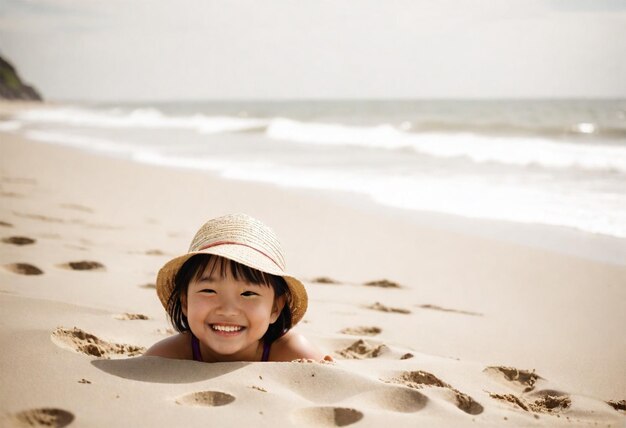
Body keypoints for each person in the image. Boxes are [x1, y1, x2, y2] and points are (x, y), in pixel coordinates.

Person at [144, 213, 328, 362]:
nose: (228, 310)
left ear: (275, 308)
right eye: (209, 291)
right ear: (185, 302)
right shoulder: (168, 356)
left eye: (248, 293)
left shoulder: (293, 354)